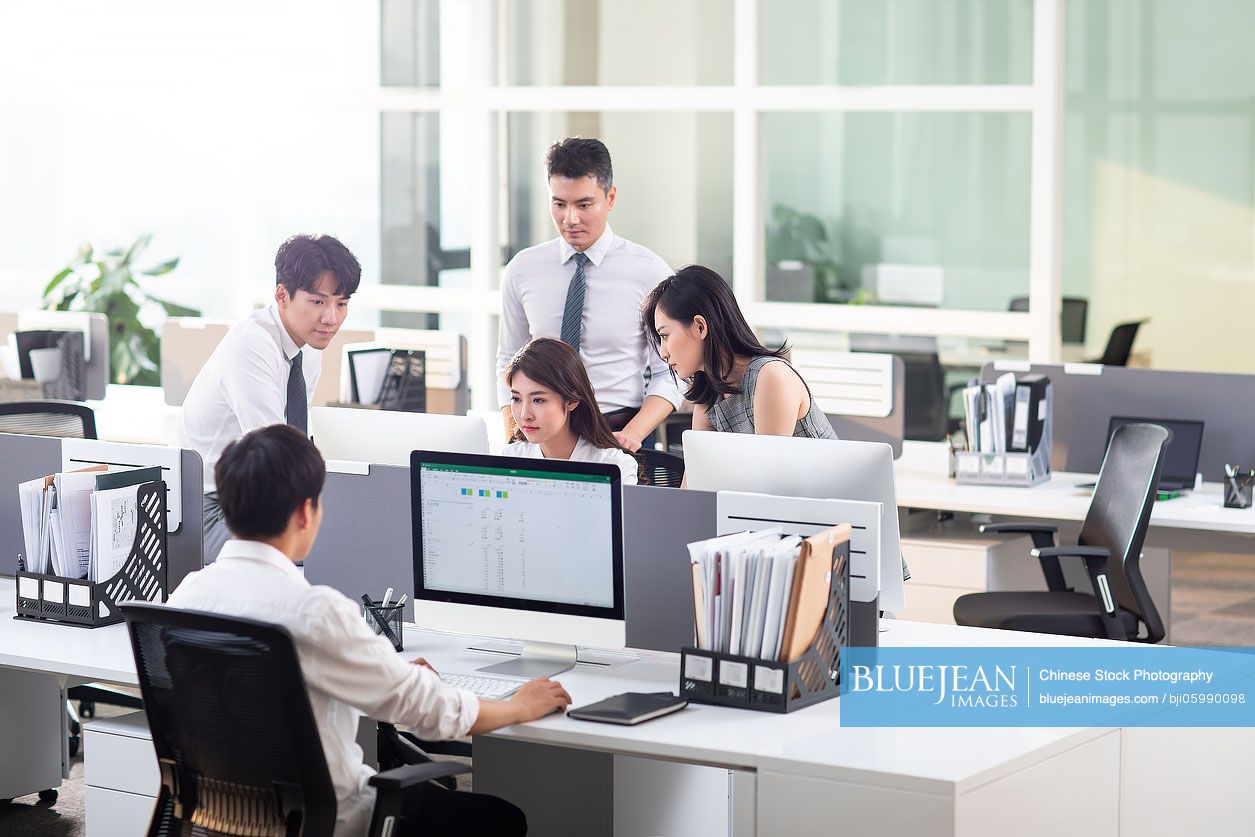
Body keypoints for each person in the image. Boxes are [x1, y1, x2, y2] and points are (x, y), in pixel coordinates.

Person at [167, 424, 571, 836]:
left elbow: (258, 696)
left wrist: (385, 673)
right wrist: (519, 707)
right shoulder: (315, 613)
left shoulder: (186, 597)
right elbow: (430, 713)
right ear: (306, 512)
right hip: (335, 822)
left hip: (219, 818)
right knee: (501, 819)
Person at [175, 234, 359, 562]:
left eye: (341, 303)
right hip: (209, 509)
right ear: (282, 296)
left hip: (258, 496)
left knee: (350, 530)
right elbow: (278, 459)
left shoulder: (308, 347)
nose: (331, 318)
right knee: (333, 543)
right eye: (318, 302)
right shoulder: (253, 346)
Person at [496, 137, 681, 452]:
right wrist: (515, 434)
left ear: (610, 198)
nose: (570, 219)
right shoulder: (522, 270)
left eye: (583, 204)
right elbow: (508, 360)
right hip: (542, 437)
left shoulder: (649, 272)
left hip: (621, 432)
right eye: (559, 203)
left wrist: (631, 436)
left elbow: (672, 373)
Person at [643, 264, 838, 439]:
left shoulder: (771, 376)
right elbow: (696, 476)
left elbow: (767, 475)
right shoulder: (709, 393)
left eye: (665, 336)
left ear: (700, 327)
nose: (663, 352)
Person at [502, 337, 638, 484]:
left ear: (572, 400)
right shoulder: (510, 458)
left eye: (538, 400)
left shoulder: (616, 466)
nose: (525, 415)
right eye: (516, 399)